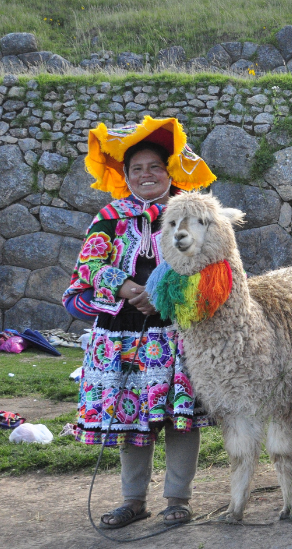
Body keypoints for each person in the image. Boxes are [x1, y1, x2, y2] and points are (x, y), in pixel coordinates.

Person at [62, 116, 217, 529]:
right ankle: (133, 501)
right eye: (137, 169)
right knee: (131, 417)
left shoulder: (192, 211)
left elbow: (212, 264)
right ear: (126, 175)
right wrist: (129, 287)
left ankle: (178, 499)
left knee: (177, 417)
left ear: (169, 171)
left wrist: (162, 292)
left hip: (176, 332)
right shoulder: (111, 216)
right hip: (122, 338)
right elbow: (90, 264)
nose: (146, 175)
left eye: (154, 167)